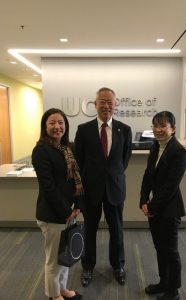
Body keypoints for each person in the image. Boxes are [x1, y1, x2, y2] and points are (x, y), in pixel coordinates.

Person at [74, 87, 132, 287]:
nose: (106, 106)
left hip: (115, 189)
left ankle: (118, 266)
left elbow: (124, 160)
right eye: (102, 102)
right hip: (92, 190)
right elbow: (79, 161)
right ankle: (88, 266)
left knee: (117, 230)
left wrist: (112, 176)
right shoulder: (83, 130)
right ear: (95, 104)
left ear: (115, 105)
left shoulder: (124, 129)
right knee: (89, 230)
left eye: (110, 102)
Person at [32, 108, 83, 300]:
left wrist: (77, 204)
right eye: (52, 123)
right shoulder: (41, 151)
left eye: (60, 123)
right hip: (52, 213)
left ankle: (62, 289)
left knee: (64, 256)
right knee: (53, 259)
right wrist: (65, 211)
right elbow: (48, 187)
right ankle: (54, 295)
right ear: (45, 127)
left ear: (65, 126)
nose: (57, 127)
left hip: (68, 212)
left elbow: (77, 179)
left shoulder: (68, 148)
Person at [140, 111, 186, 300]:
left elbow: (170, 186)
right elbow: (147, 175)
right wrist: (143, 199)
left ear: (173, 129)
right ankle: (163, 282)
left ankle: (173, 290)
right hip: (155, 207)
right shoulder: (155, 146)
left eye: (163, 126)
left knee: (170, 251)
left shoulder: (178, 152)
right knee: (160, 248)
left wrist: (152, 207)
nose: (158, 130)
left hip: (169, 209)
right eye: (155, 125)